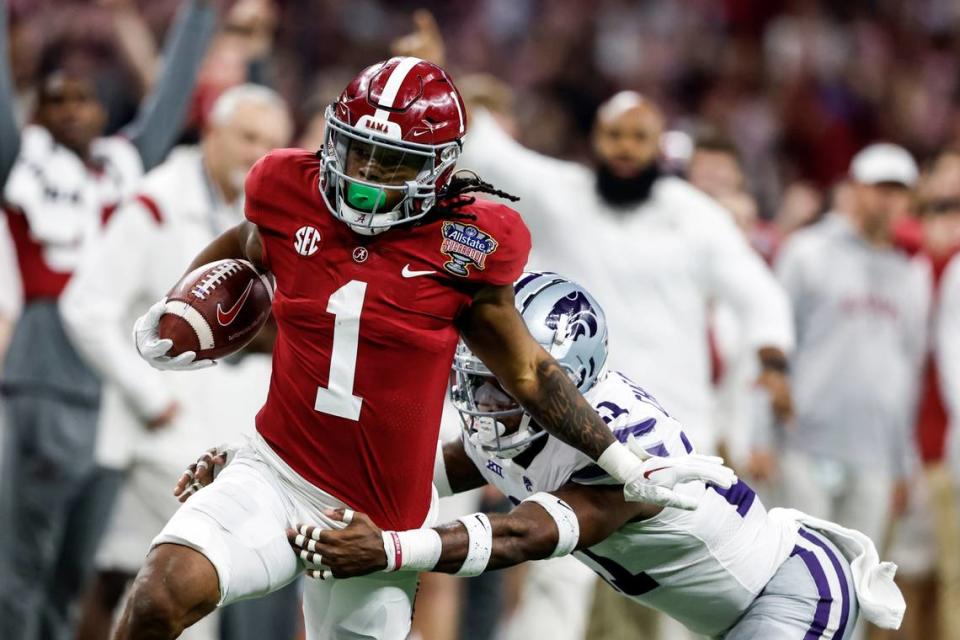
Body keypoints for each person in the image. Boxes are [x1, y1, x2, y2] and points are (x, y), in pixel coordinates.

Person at [112, 57, 731, 640]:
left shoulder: (471, 242)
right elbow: (249, 244)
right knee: (159, 595)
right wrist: (176, 310)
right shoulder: (286, 186)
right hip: (277, 471)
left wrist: (622, 462)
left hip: (385, 512)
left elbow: (531, 372)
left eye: (391, 162)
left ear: (439, 168)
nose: (365, 176)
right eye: (357, 150)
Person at [192, 272, 905, 640]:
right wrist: (267, 470)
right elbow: (407, 469)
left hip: (793, 589)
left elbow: (521, 533)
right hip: (727, 606)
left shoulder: (630, 455)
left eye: (508, 385)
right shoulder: (522, 421)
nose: (487, 401)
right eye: (483, 378)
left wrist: (386, 549)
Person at [390, 15, 794, 640]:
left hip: (668, 439)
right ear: (596, 140)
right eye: (614, 136)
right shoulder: (567, 195)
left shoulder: (696, 217)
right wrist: (438, 75)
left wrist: (771, 360)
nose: (626, 148)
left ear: (660, 145)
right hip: (568, 426)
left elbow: (756, 290)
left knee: (677, 610)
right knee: (559, 588)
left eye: (639, 136)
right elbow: (492, 149)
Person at [0, 2, 216, 638]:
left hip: (116, 387)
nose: (70, 109)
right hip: (49, 376)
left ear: (103, 112)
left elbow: (171, 100)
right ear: (35, 116)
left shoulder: (126, 166)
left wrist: (201, 13)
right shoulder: (20, 168)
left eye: (83, 99)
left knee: (76, 569)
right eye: (55, 100)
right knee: (21, 566)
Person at [60, 84, 296, 640]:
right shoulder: (159, 199)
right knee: (169, 591)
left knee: (136, 585)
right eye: (246, 137)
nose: (255, 152)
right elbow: (86, 306)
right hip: (160, 444)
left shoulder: (270, 217)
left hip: (228, 438)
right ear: (211, 132)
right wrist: (150, 397)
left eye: (269, 143)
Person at [774, 143, 929, 631]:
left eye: (898, 192)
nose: (887, 201)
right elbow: (771, 346)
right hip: (806, 440)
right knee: (799, 578)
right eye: (879, 188)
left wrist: (904, 460)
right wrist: (761, 435)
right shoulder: (808, 252)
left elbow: (908, 372)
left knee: (860, 590)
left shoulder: (911, 275)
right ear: (855, 190)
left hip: (875, 456)